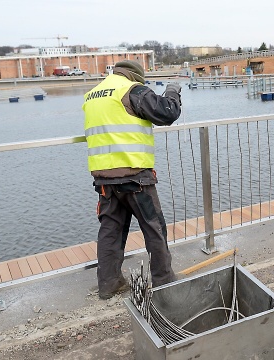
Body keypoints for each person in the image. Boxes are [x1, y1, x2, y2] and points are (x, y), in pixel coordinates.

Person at [82, 60, 182, 300]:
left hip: (105, 179)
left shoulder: (92, 95)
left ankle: (109, 283)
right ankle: (163, 281)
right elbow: (167, 112)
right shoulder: (131, 89)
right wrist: (172, 91)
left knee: (110, 230)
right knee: (154, 227)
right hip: (135, 177)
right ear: (135, 76)